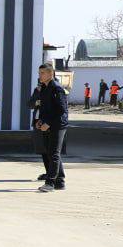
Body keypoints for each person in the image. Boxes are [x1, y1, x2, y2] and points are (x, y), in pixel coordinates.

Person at [33, 63, 69, 192]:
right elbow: (44, 108)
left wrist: (48, 123)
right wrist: (40, 121)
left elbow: (61, 110)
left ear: (50, 74)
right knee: (51, 152)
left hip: (58, 125)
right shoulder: (44, 88)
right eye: (39, 73)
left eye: (42, 73)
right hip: (47, 123)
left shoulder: (57, 88)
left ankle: (50, 183)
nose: (40, 76)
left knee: (53, 153)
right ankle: (60, 181)